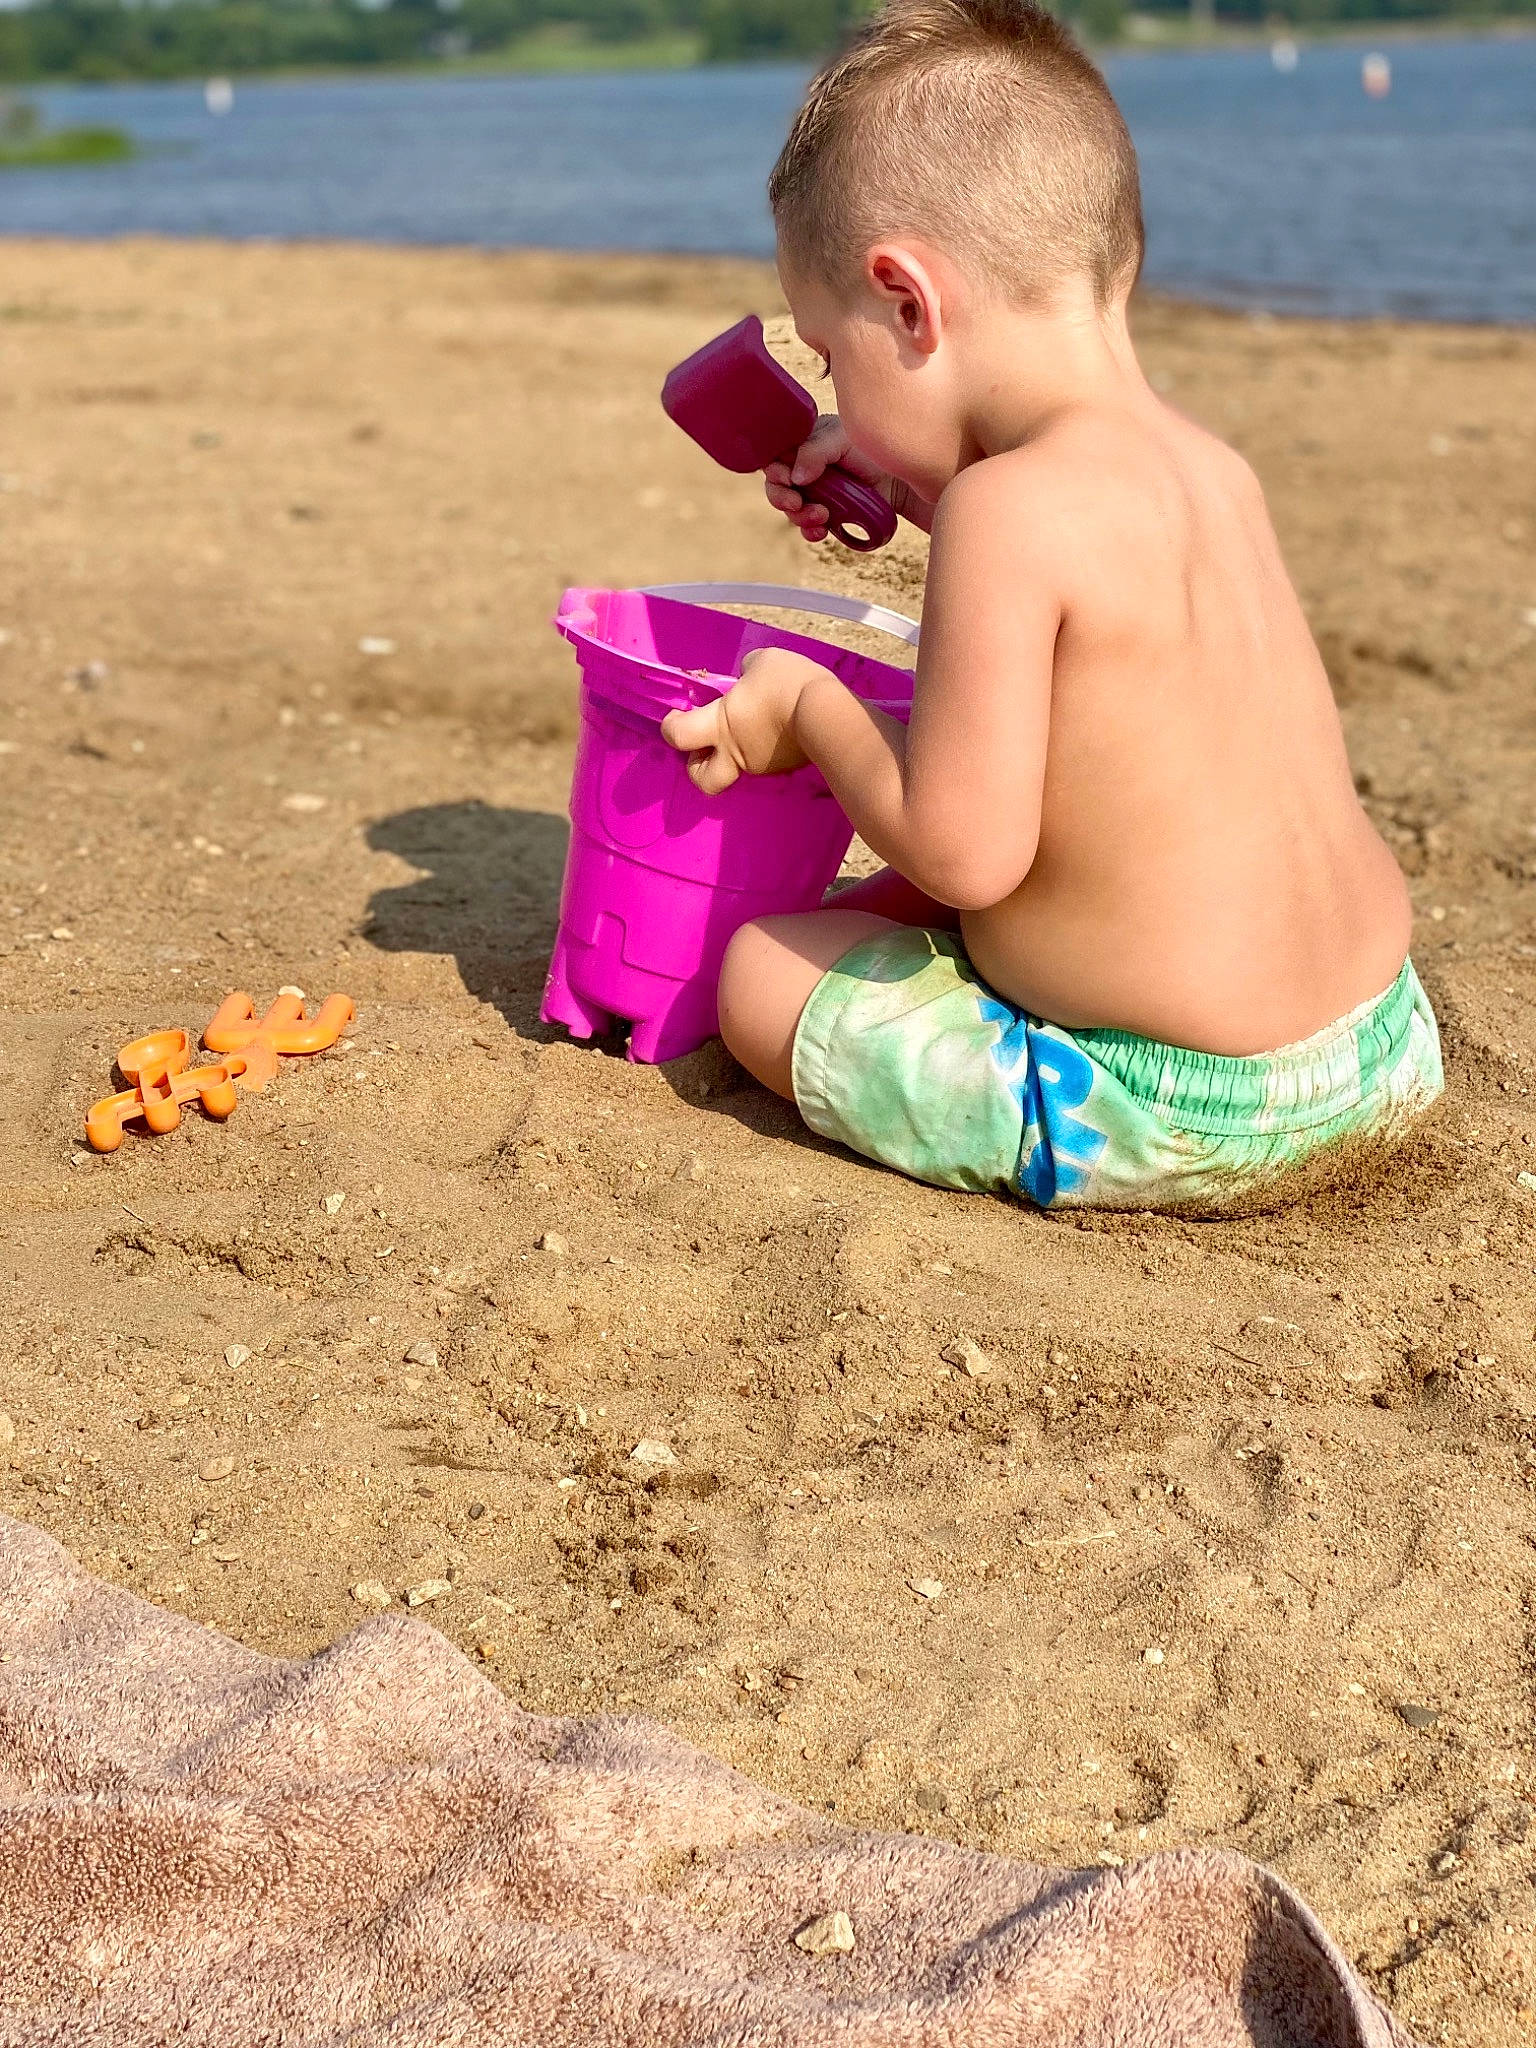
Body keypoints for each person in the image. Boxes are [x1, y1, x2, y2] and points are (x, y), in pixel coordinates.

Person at [660, 0, 1441, 1212]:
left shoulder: (1005, 515)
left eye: (828, 354)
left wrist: (803, 700)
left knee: (762, 973)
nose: (831, 389)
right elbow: (1088, 619)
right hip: (1382, 1041)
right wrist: (911, 484)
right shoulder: (1205, 469)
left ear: (908, 302)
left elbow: (965, 851)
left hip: (1183, 1102)